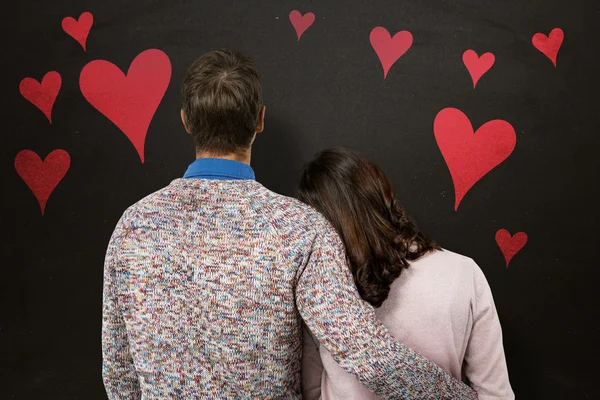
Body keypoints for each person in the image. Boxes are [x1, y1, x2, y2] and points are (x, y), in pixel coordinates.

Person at [101, 49, 478, 399]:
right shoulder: (301, 229)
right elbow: (364, 351)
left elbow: (119, 375)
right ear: (260, 120)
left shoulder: (132, 226)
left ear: (186, 121)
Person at [298, 148, 515, 400]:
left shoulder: (319, 288)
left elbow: (310, 390)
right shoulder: (464, 272)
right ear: (383, 194)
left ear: (318, 219)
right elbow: (495, 394)